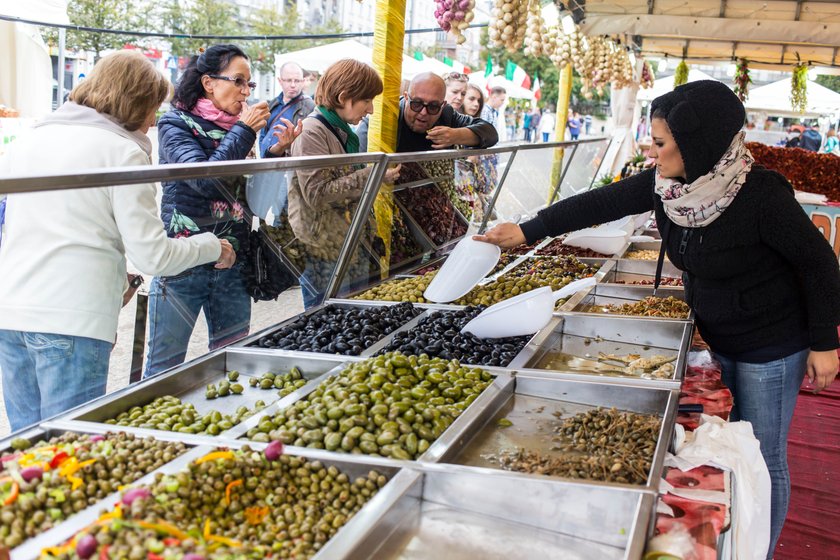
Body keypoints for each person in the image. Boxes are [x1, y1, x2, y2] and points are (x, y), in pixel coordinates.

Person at [476, 80, 840, 559]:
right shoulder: (670, 187)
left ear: (698, 144)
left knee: (761, 455)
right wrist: (526, 230)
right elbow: (597, 203)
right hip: (718, 332)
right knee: (733, 447)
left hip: (772, 343)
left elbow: (818, 264)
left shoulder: (759, 195)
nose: (652, 151)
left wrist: (823, 344)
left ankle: (760, 549)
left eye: (662, 142)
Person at [0, 51, 230, 431]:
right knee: (70, 448)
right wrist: (212, 246)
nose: (154, 120)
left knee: (28, 456)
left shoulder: (29, 140)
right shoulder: (122, 152)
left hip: (10, 313)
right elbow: (154, 256)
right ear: (135, 102)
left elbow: (46, 225)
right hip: (72, 323)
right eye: (153, 108)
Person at [146, 44, 300, 377]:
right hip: (183, 262)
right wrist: (244, 131)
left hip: (233, 262)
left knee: (232, 362)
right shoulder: (175, 124)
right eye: (239, 81)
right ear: (209, 83)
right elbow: (205, 179)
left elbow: (254, 199)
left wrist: (274, 155)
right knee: (164, 366)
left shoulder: (241, 129)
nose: (246, 91)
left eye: (250, 85)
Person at [288, 59, 401, 308]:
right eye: (367, 100)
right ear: (343, 97)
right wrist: (372, 174)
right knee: (325, 322)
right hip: (324, 249)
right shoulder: (312, 132)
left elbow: (344, 181)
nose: (370, 110)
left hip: (349, 242)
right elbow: (317, 194)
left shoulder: (340, 132)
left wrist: (378, 176)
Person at [357, 72, 497, 152]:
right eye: (416, 104)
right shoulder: (380, 120)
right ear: (406, 98)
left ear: (442, 105)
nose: (423, 112)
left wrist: (456, 135)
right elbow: (358, 168)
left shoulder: (447, 114)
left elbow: (490, 133)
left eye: (433, 107)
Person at [259, 61, 314, 158]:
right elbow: (263, 133)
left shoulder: (310, 107)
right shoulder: (272, 104)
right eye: (289, 80)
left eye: (297, 81)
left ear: (302, 81)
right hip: (265, 161)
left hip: (288, 165)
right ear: (280, 81)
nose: (293, 85)